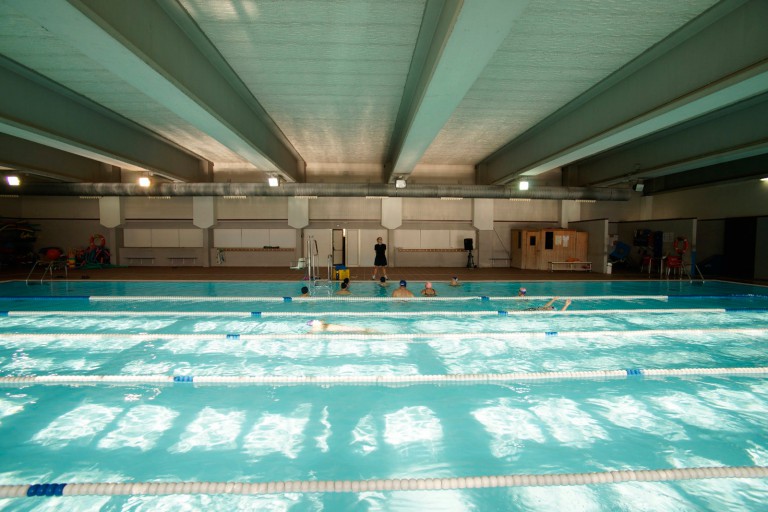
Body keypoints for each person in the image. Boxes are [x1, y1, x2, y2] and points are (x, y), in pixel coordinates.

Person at [307, 319, 373, 333]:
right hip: (340, 327)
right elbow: (323, 319)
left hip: (340, 329)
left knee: (359, 331)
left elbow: (308, 334)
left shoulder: (315, 328)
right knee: (359, 330)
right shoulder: (321, 323)